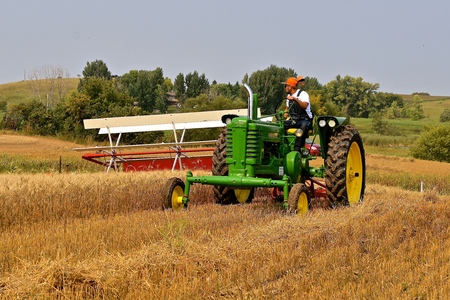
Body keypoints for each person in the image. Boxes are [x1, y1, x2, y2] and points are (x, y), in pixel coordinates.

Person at [281, 76, 313, 151]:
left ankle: (297, 148)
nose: (285, 88)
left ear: (290, 87)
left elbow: (304, 106)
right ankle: (285, 146)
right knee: (279, 125)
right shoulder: (288, 96)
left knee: (304, 125)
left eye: (285, 86)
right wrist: (284, 116)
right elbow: (287, 108)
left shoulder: (303, 94)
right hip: (294, 120)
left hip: (304, 119)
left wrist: (295, 99)